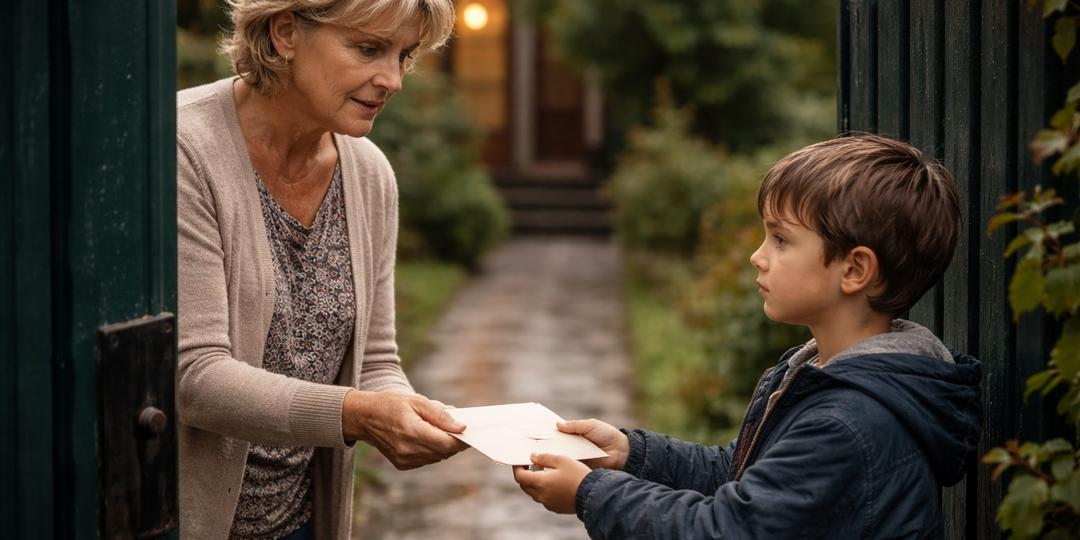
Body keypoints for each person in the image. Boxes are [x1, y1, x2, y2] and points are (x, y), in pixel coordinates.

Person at [512, 135, 984, 539]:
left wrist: (588, 493)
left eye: (780, 239)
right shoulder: (820, 370)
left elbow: (727, 528)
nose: (758, 257)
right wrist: (631, 455)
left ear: (855, 269)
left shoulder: (851, 422)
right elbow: (739, 475)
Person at [175, 1, 465, 539]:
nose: (393, 79)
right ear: (286, 33)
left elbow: (375, 359)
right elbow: (196, 378)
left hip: (303, 522)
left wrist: (408, 412)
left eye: (404, 55)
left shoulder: (369, 174)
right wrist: (357, 415)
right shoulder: (183, 148)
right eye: (369, 48)